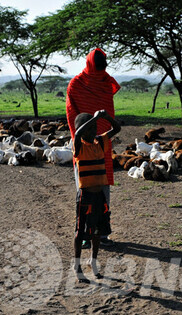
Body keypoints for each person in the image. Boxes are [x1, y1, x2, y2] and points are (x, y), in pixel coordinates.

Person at [66, 48, 121, 247]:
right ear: (91, 64)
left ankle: (102, 233)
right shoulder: (77, 84)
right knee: (85, 192)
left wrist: (101, 125)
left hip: (100, 145)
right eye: (98, 66)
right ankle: (85, 234)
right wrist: (85, 137)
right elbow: (73, 117)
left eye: (102, 66)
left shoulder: (106, 83)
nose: (100, 70)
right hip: (86, 144)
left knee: (101, 189)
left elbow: (110, 117)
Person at [73, 110, 121, 283]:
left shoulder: (100, 142)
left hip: (99, 195)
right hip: (85, 196)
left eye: (95, 127)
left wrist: (105, 117)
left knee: (97, 231)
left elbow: (117, 128)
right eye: (91, 128)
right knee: (80, 232)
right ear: (82, 129)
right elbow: (78, 133)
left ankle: (93, 261)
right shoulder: (78, 146)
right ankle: (77, 265)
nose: (94, 131)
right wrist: (94, 118)